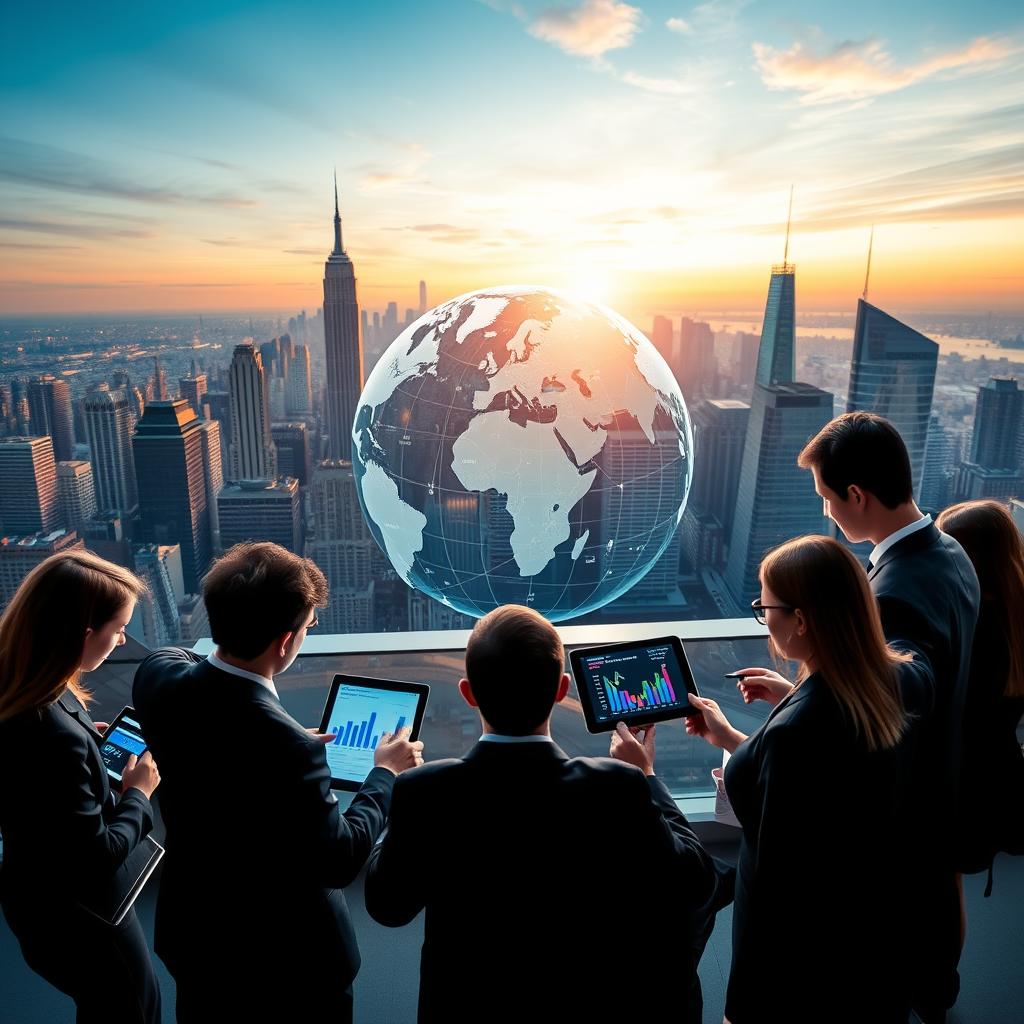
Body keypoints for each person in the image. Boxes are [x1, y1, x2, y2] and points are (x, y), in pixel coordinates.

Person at [364, 604, 720, 1024]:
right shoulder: (615, 787)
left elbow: (388, 908)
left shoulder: (425, 791)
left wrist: (402, 801)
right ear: (561, 688)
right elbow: (696, 883)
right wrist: (647, 775)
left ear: (468, 693)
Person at [132, 542, 422, 1022]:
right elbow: (340, 859)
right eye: (308, 628)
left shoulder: (157, 679)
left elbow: (182, 663)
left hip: (197, 937)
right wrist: (385, 773)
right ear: (285, 642)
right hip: (292, 968)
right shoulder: (290, 748)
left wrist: (271, 735)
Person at [686, 535, 933, 1024]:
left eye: (766, 605)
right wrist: (772, 711)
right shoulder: (895, 678)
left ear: (800, 620)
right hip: (868, 926)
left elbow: (781, 869)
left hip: (793, 958)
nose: (763, 614)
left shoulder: (798, 730)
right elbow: (824, 774)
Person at [0, 551, 162, 1024]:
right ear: (85, 634)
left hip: (35, 905)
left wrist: (87, 743)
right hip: (84, 918)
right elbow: (95, 858)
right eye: (118, 628)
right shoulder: (50, 732)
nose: (123, 639)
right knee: (132, 1009)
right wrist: (138, 792)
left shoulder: (24, 692)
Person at [936, 500, 1024, 895]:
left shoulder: (968, 627)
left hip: (956, 779)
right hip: (999, 775)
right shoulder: (1014, 615)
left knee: (939, 883)